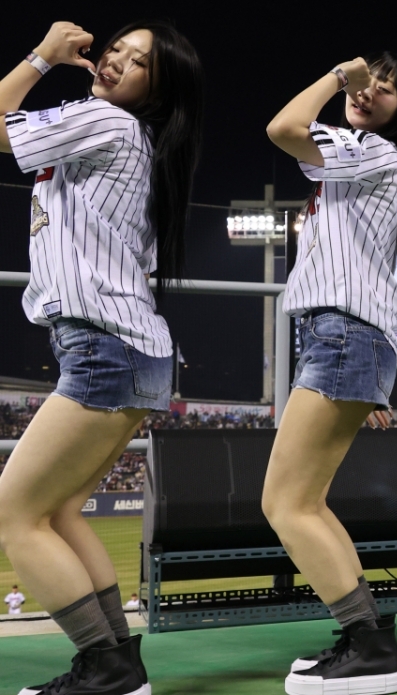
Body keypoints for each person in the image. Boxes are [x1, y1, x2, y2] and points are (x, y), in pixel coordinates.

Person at [0, 20, 202, 694]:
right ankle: (118, 664)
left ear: (156, 89)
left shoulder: (106, 122)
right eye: (117, 48)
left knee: (14, 515)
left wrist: (40, 57)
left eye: (138, 62)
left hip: (102, 346)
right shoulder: (134, 140)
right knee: (58, 513)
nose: (116, 60)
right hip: (127, 346)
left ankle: (106, 664)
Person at [262, 50, 397, 694]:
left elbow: (283, 127)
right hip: (343, 336)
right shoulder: (366, 159)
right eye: (367, 82)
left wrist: (340, 76)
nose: (367, 91)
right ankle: (365, 638)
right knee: (304, 502)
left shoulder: (371, 150)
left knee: (285, 503)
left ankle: (370, 647)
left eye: (385, 89)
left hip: (341, 335)